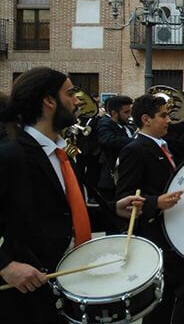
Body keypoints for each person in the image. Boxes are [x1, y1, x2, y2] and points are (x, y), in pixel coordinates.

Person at [0, 67, 144, 323]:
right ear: (49, 101)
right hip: (25, 297)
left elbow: (65, 215)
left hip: (66, 288)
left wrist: (113, 209)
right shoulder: (10, 155)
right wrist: (6, 266)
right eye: (70, 94)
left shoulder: (63, 153)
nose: (77, 101)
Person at [116, 94, 184, 324]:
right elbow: (125, 197)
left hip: (172, 230)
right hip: (155, 233)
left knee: (166, 294)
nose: (168, 120)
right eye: (163, 115)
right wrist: (155, 202)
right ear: (146, 119)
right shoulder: (134, 149)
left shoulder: (163, 144)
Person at [96, 95, 135, 199]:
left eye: (130, 112)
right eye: (126, 112)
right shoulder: (105, 124)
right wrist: (136, 142)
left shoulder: (128, 127)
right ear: (114, 113)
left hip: (126, 179)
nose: (129, 115)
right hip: (111, 181)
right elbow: (107, 140)